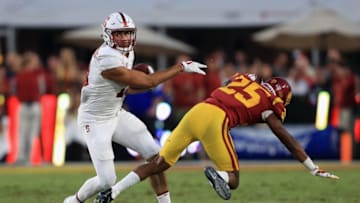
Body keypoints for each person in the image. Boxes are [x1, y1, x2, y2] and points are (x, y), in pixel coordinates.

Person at [95, 73, 339, 202]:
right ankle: (218, 174)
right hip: (217, 119)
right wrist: (311, 166)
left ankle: (113, 193)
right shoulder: (269, 106)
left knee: (158, 163)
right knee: (233, 180)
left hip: (198, 109)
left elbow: (229, 82)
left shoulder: (247, 79)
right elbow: (284, 136)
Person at [63, 11, 207, 203]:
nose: (124, 38)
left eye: (127, 33)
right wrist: (181, 67)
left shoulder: (127, 53)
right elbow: (149, 82)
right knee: (107, 180)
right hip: (95, 120)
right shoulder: (107, 58)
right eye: (119, 34)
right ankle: (73, 201)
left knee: (155, 156)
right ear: (107, 34)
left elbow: (127, 89)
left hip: (115, 113)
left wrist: (139, 81)